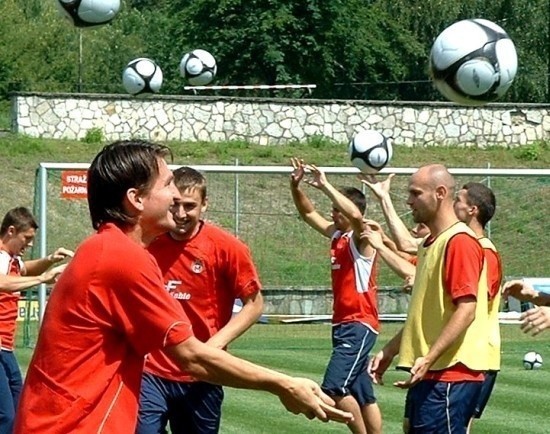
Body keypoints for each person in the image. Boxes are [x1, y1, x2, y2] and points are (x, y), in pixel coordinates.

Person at [14, 140, 352, 433]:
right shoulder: (121, 257)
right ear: (137, 199)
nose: (177, 194)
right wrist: (283, 383)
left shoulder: (107, 248)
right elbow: (191, 357)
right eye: (167, 184)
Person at [137, 166, 264, 434]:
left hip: (202, 373)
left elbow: (254, 304)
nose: (181, 214)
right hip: (151, 371)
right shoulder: (147, 242)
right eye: (175, 205)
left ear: (205, 204)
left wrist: (215, 344)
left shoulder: (227, 247)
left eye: (190, 206)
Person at [368, 164, 489, 434]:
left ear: (440, 193)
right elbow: (426, 314)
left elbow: (467, 309)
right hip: (431, 372)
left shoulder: (459, 242)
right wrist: (390, 350)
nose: (409, 200)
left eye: (415, 193)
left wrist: (430, 357)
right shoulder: (430, 244)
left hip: (449, 375)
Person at [289, 157, 382, 434]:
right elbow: (308, 214)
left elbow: (355, 216)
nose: (332, 215)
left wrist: (325, 185)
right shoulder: (337, 236)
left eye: (336, 210)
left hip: (359, 323)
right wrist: (296, 187)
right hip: (344, 324)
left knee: (335, 388)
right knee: (362, 394)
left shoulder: (360, 237)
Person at [0, 207, 73, 433]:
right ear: (11, 231)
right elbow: (2, 282)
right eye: (27, 238)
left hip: (5, 347)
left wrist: (50, 260)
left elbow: (23, 270)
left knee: (19, 406)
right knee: (6, 415)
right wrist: (42, 279)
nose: (29, 245)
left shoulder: (11, 259)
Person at [453, 182, 503, 432]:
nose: (453, 204)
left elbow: (475, 303)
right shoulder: (462, 246)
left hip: (479, 355)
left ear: (472, 210)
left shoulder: (486, 252)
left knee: (459, 425)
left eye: (458, 200)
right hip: (460, 352)